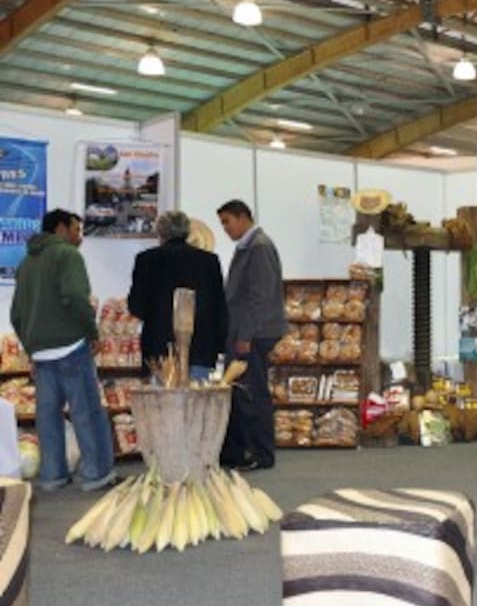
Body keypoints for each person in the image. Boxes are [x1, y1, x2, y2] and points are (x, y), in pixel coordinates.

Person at [10, 209, 117, 491]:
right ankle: (97, 474)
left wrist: (32, 345)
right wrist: (90, 332)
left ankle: (53, 475)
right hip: (70, 346)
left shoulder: (25, 264)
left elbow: (16, 315)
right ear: (60, 229)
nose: (79, 237)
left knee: (47, 417)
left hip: (41, 353)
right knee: (87, 412)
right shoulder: (67, 256)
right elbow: (74, 296)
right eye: (76, 229)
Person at [216, 199, 286, 471]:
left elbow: (259, 296)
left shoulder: (258, 247)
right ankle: (243, 451)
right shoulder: (250, 246)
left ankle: (261, 453)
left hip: (253, 333)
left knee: (253, 394)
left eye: (227, 222)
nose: (225, 228)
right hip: (247, 330)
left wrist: (245, 335)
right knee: (243, 392)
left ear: (243, 217)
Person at [127, 211, 228, 381]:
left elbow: (137, 305)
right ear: (188, 231)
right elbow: (219, 307)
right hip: (201, 347)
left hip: (160, 349)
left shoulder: (146, 259)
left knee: (163, 404)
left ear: (160, 232)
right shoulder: (209, 261)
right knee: (197, 403)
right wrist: (220, 345)